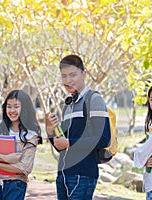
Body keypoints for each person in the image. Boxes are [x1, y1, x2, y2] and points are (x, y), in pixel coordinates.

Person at [45, 54, 111, 200]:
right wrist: (50, 130)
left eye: (72, 75)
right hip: (63, 175)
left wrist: (69, 143)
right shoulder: (67, 105)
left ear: (84, 73)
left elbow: (104, 139)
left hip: (82, 175)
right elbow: (60, 145)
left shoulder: (94, 99)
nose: (68, 80)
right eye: (64, 76)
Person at [0, 90, 42, 200]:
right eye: (9, 106)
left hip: (15, 186)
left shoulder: (30, 135)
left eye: (16, 106)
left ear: (25, 108)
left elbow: (24, 168)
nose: (12, 110)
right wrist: (6, 158)